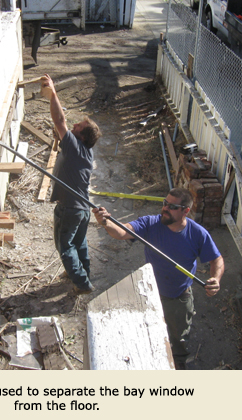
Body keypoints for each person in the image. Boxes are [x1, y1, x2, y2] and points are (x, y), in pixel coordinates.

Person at [93, 187, 224, 369]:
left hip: (178, 296)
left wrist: (215, 279)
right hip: (149, 293)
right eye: (164, 203)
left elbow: (216, 259)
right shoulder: (151, 223)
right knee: (148, 330)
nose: (164, 208)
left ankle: (178, 361)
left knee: (179, 336)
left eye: (171, 206)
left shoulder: (197, 233)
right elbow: (122, 232)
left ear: (185, 211)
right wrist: (106, 222)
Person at [41, 74, 102, 293]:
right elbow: (62, 125)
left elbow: (59, 121)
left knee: (65, 247)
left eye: (78, 126)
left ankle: (82, 284)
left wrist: (53, 93)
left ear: (82, 137)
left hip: (70, 209)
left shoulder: (76, 148)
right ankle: (80, 272)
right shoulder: (84, 152)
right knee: (79, 243)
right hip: (82, 208)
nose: (74, 125)